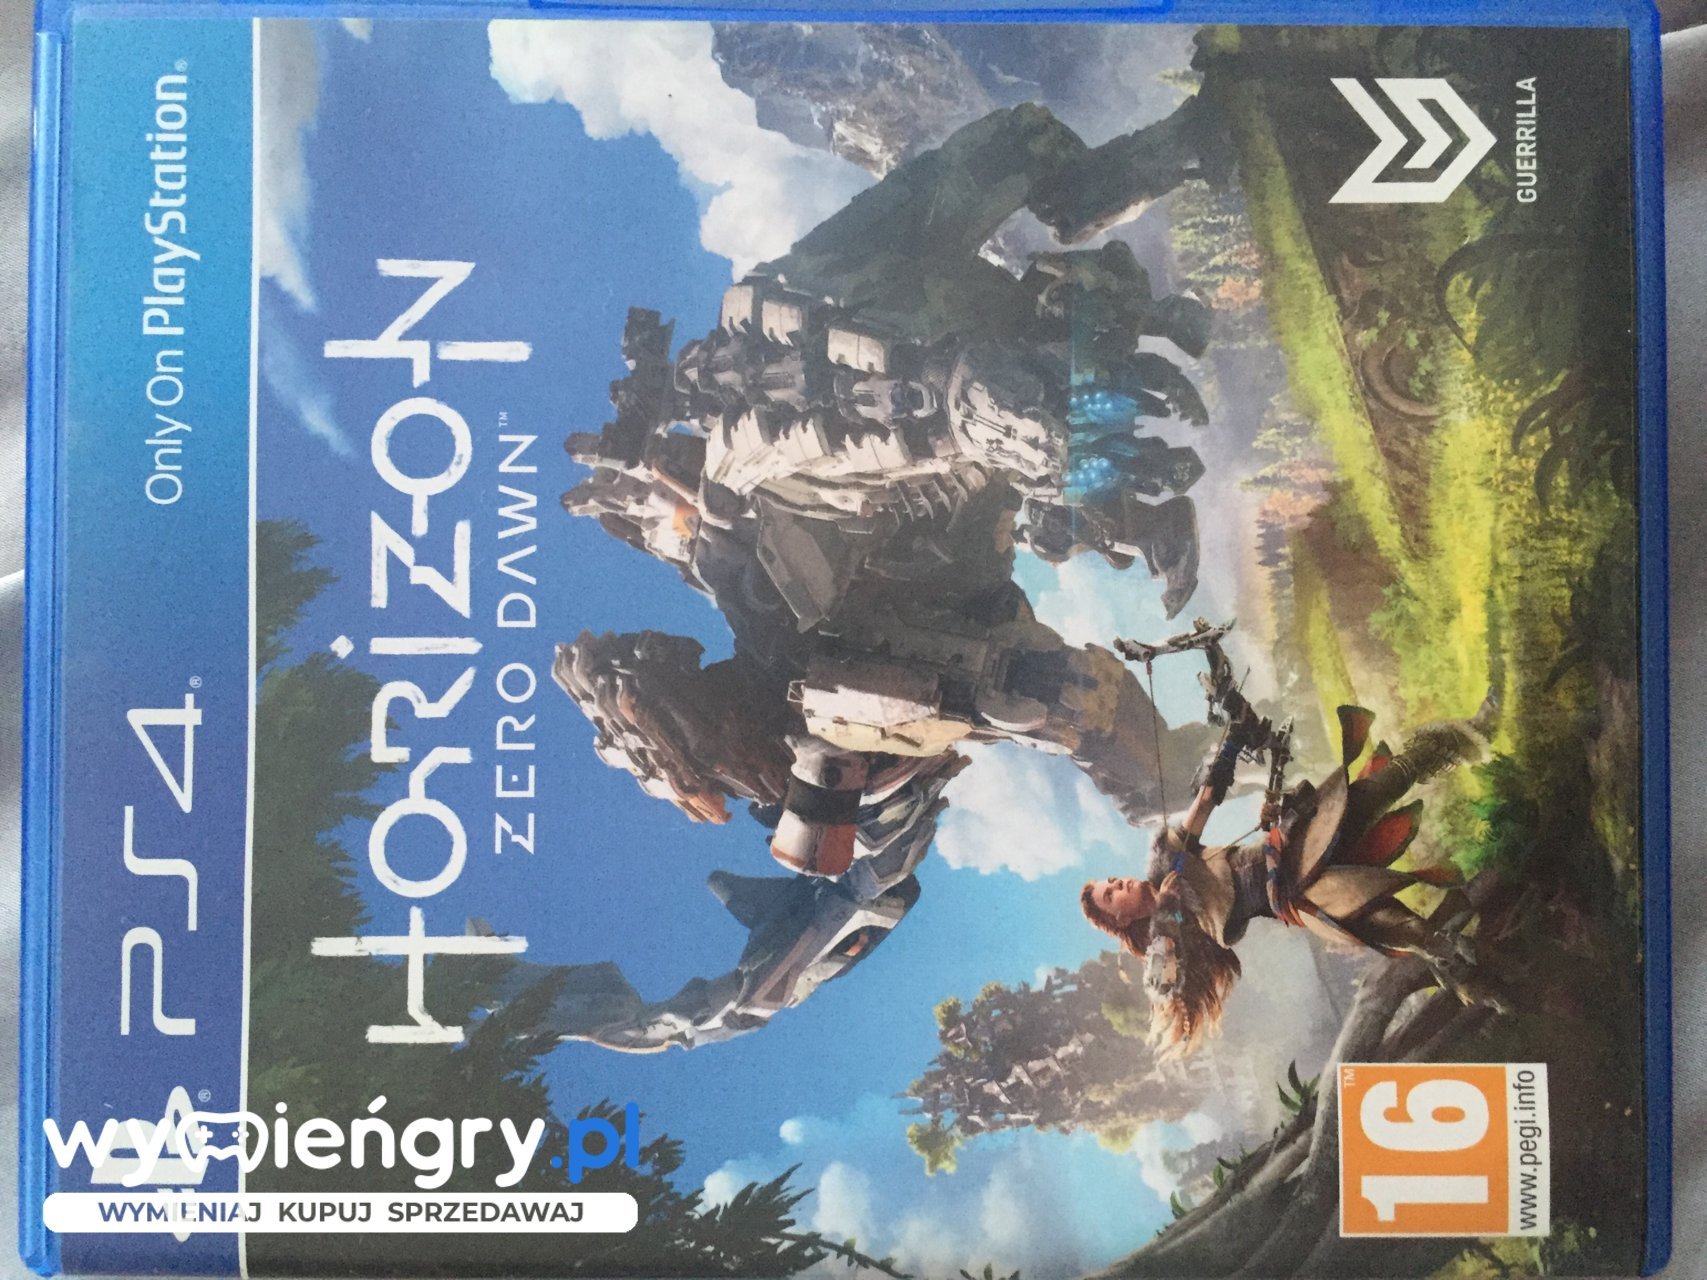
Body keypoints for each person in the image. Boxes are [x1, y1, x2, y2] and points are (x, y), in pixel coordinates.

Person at [1081, 681, 1501, 1055]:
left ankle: (1475, 732)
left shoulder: (1164, 859)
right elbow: (1164, 984)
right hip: (1297, 898)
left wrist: (1235, 738)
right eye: (1110, 894)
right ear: (1120, 919)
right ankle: (1487, 986)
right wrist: (1168, 913)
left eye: (1111, 881)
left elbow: (1205, 800)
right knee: (1403, 928)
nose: (1118, 883)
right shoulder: (1166, 939)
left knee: (1383, 784)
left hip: (1292, 845)